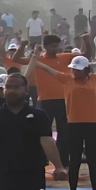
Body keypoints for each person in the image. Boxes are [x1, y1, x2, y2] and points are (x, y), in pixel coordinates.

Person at [31, 44, 96, 190]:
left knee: (94, 159)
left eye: (78, 69)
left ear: (86, 70)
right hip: (73, 124)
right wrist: (36, 58)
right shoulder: (67, 79)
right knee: (73, 159)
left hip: (93, 124)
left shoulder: (95, 80)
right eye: (73, 69)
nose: (74, 71)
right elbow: (48, 70)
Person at [28, 34, 72, 168]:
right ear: (45, 47)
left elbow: (86, 54)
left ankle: (63, 161)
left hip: (62, 100)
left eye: (57, 45)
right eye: (53, 46)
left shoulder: (64, 57)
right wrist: (31, 51)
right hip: (45, 101)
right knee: (43, 131)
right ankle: (42, 160)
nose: (56, 48)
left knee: (64, 132)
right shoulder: (38, 59)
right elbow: (17, 59)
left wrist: (86, 41)